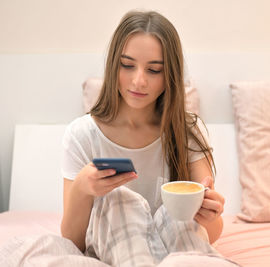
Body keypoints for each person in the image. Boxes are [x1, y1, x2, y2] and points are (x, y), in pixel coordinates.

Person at [60, 10, 225, 265]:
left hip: (174, 245)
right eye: (127, 65)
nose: (139, 81)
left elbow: (208, 235)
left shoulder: (188, 130)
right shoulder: (82, 135)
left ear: (169, 74)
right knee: (118, 201)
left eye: (154, 70)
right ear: (114, 65)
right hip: (116, 248)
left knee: (176, 214)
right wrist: (83, 186)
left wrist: (210, 215)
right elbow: (72, 242)